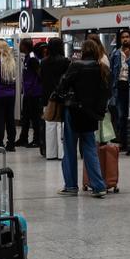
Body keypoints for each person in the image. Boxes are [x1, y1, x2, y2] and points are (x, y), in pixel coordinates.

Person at [53, 39, 109, 199]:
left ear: (83, 51)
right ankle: (98, 185)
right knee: (90, 149)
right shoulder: (102, 68)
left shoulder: (76, 66)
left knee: (70, 149)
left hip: (74, 112)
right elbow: (106, 92)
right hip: (91, 115)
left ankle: (71, 185)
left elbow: (62, 86)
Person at [39, 39, 70, 161]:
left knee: (49, 124)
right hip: (61, 96)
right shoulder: (65, 61)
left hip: (47, 96)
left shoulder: (43, 62)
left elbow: (41, 78)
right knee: (61, 124)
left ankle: (50, 153)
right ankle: (61, 153)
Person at [15, 38, 42, 149]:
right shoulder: (26, 57)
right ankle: (23, 138)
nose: (19, 47)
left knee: (35, 117)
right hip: (27, 92)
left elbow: (39, 73)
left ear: (25, 46)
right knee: (25, 116)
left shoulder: (32, 58)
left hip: (33, 93)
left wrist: (34, 87)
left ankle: (37, 139)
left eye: (21, 45)